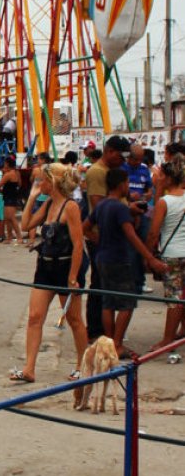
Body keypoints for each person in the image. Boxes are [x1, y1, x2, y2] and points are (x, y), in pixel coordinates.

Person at [10, 164, 87, 382]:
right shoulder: (49, 204)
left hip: (65, 267)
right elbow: (25, 225)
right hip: (45, 266)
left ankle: (82, 364)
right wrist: (33, 198)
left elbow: (78, 245)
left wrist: (73, 277)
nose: (39, 184)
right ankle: (29, 368)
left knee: (74, 319)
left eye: (41, 180)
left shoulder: (70, 207)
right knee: (35, 317)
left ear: (52, 181)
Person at [83, 168, 167, 360]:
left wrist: (99, 240)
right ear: (121, 184)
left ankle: (110, 342)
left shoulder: (102, 205)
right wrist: (151, 258)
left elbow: (84, 227)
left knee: (108, 302)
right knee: (127, 302)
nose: (128, 187)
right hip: (118, 259)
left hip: (102, 258)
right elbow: (132, 236)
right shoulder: (120, 208)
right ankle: (118, 344)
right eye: (127, 183)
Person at [83, 134, 130, 339]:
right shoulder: (96, 172)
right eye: (121, 156)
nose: (123, 161)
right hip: (103, 238)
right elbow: (98, 203)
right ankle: (95, 330)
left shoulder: (111, 172)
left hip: (112, 239)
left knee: (106, 286)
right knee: (100, 285)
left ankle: (103, 331)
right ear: (110, 151)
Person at [145, 154, 185, 360]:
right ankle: (181, 332)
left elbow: (154, 232)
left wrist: (148, 255)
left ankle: (167, 339)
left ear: (169, 179)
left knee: (174, 298)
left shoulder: (164, 202)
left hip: (171, 255)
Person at [123, 143, 155, 294]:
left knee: (143, 246)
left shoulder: (144, 169)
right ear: (129, 157)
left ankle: (140, 281)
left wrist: (148, 194)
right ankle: (130, 281)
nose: (138, 162)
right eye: (136, 159)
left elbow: (149, 188)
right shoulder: (122, 169)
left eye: (141, 159)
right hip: (127, 211)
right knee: (130, 248)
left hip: (143, 211)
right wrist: (129, 196)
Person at [0, 157, 23, 244]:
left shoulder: (8, 174)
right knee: (7, 218)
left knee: (11, 218)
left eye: (5, 163)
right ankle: (9, 237)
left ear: (7, 164)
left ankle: (19, 236)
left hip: (9, 197)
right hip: (12, 195)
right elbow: (19, 184)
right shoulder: (16, 172)